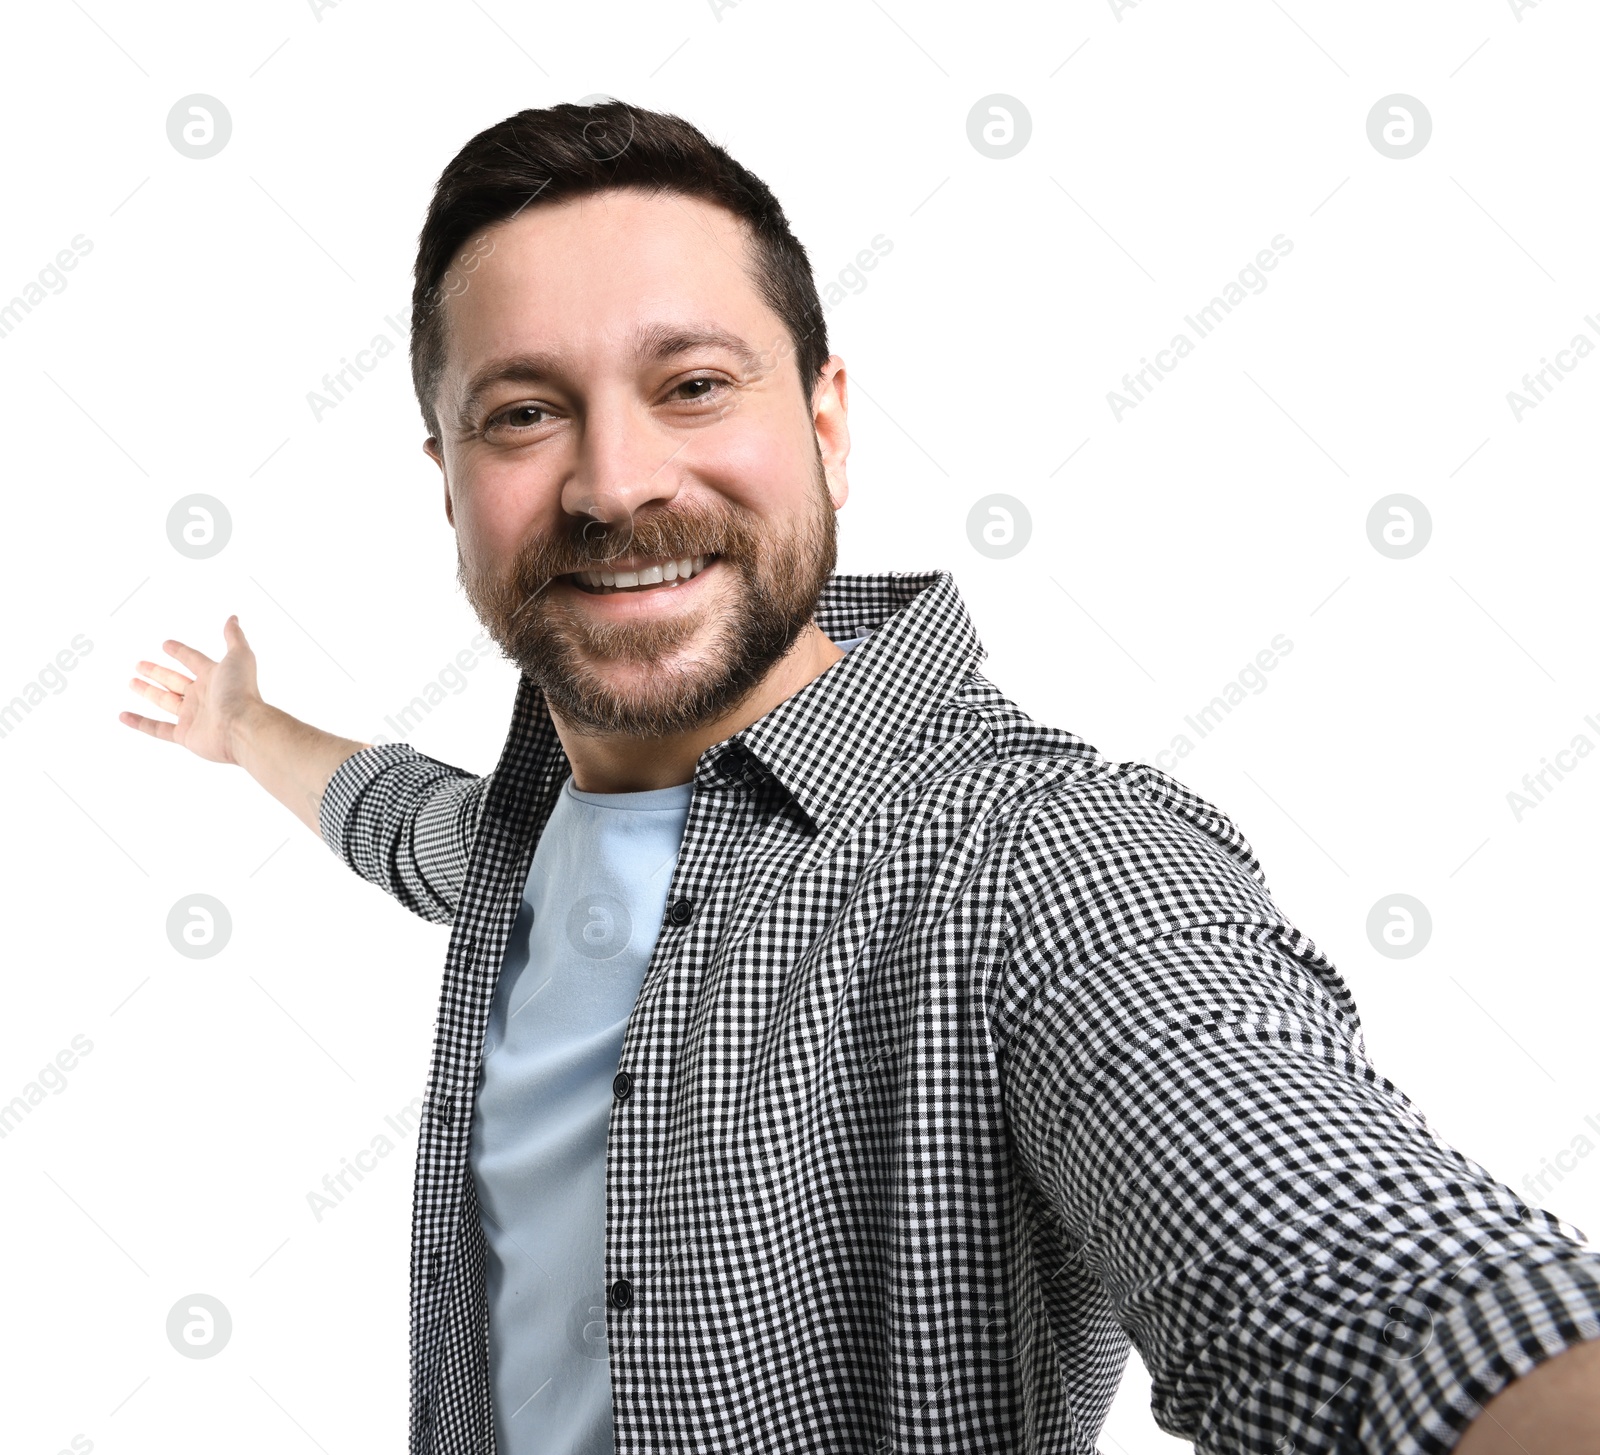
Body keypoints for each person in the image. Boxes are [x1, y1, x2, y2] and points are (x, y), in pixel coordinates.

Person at [120, 100, 1600, 1455]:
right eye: (523, 412)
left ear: (826, 427)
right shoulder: (515, 846)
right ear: (447, 479)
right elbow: (391, 819)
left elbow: (1352, 1268)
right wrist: (243, 728)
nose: (617, 481)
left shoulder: (1039, 861)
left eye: (692, 384)